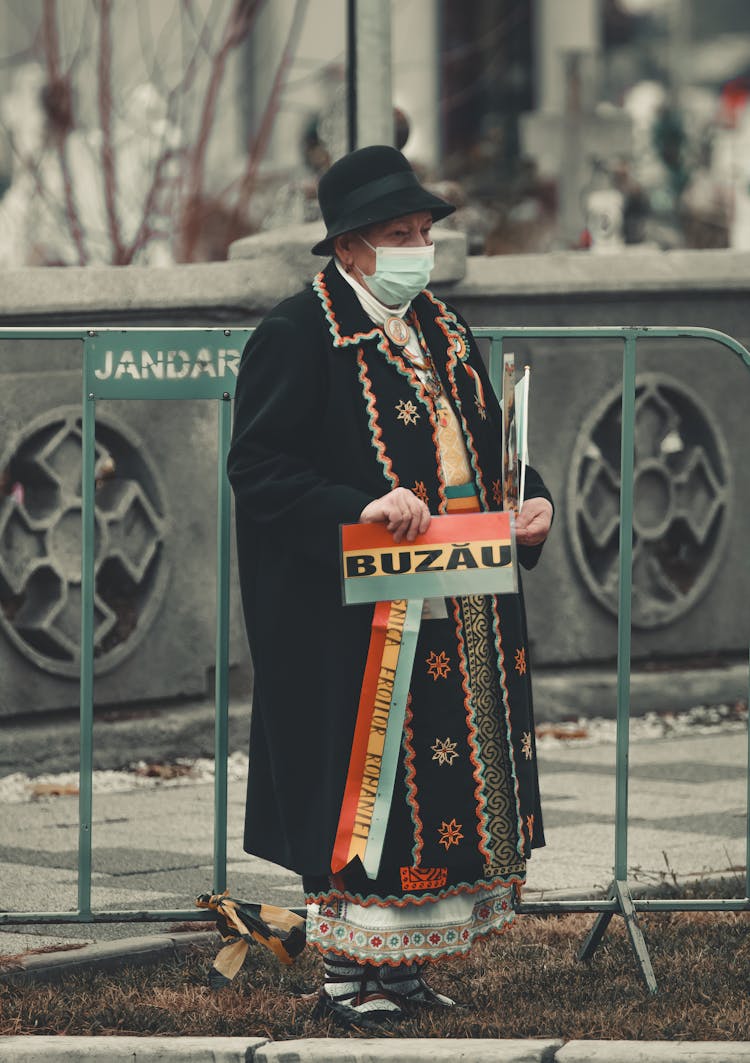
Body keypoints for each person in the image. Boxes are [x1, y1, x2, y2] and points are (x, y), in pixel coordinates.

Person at [227, 145, 553, 1027]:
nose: (418, 247)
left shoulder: (445, 328)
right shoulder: (298, 334)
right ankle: (347, 971)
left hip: (455, 597)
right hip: (348, 615)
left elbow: (491, 446)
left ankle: (401, 968)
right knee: (361, 783)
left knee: (434, 786)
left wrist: (533, 503)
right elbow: (257, 468)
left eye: (422, 232)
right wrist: (360, 503)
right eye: (398, 235)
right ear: (348, 247)